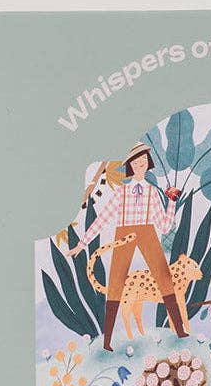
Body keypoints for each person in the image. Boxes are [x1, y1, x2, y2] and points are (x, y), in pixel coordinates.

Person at [67, 141, 184, 350]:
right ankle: (107, 341)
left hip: (147, 232)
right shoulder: (121, 192)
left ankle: (181, 330)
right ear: (130, 165)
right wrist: (81, 244)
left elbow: (165, 227)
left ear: (148, 162)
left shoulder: (152, 192)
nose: (140, 164)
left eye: (143, 160)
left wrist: (172, 202)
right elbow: (102, 219)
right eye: (135, 161)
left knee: (165, 279)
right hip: (124, 233)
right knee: (115, 283)